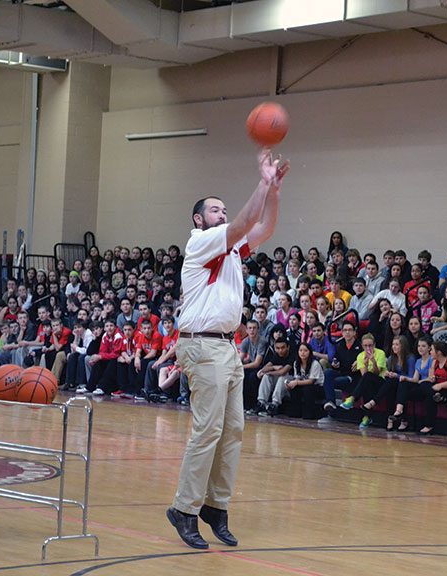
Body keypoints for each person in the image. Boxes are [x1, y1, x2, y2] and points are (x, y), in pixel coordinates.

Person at [167, 149, 288, 550]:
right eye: (214, 210)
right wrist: (261, 182)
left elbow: (265, 227)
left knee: (233, 429)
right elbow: (243, 224)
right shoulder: (202, 242)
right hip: (202, 345)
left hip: (226, 347)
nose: (222, 214)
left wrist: (274, 190)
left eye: (224, 209)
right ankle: (184, 509)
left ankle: (215, 507)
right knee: (208, 430)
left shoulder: (231, 247)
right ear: (199, 220)